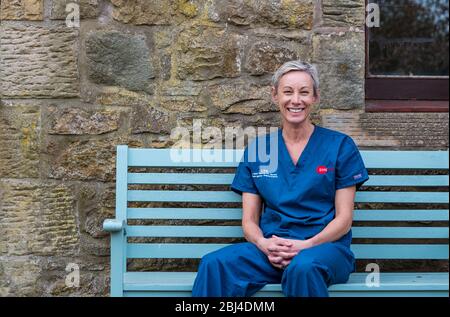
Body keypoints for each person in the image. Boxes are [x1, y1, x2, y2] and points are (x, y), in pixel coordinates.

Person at [191, 60, 369, 297]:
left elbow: (344, 219)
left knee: (303, 267)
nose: (296, 100)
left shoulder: (340, 146)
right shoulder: (258, 150)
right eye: (288, 92)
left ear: (315, 97)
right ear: (275, 96)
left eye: (304, 92)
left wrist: (306, 246)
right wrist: (264, 245)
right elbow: (249, 222)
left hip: (324, 250)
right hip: (271, 252)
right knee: (214, 264)